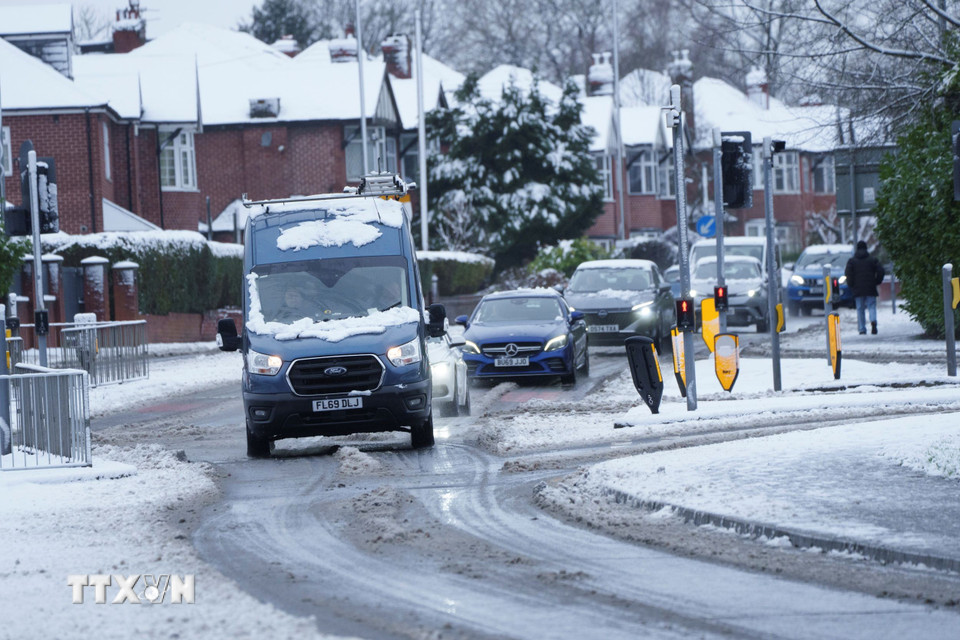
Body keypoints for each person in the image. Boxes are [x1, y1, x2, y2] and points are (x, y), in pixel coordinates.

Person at [845, 240, 885, 335]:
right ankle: (873, 321)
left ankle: (862, 329)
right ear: (866, 248)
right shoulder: (872, 260)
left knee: (860, 309)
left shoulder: (852, 261)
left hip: (858, 289)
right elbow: (881, 271)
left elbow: (848, 274)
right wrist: (877, 281)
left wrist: (851, 284)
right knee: (871, 306)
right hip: (870, 287)